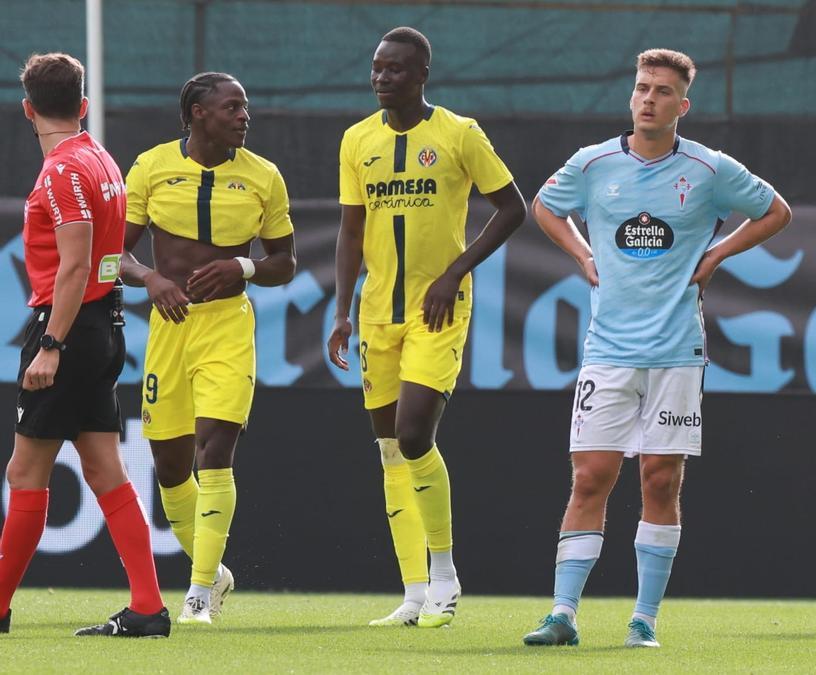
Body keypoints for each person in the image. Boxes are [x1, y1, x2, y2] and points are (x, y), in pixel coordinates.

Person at [520, 48, 791, 649]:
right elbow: (543, 206)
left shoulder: (709, 169)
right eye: (642, 88)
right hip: (608, 349)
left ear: (682, 105)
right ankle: (562, 613)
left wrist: (718, 253)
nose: (648, 98)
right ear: (631, 96)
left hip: (676, 352)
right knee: (589, 477)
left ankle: (643, 620)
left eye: (662, 91)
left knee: (660, 480)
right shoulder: (591, 165)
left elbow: (775, 211)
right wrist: (581, 253)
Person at [326, 27, 526, 628]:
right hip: (376, 313)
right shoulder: (356, 139)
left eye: (394, 69)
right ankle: (414, 593)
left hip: (437, 310)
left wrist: (454, 272)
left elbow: (512, 207)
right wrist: (341, 310)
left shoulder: (460, 134)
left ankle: (445, 574)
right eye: (376, 68)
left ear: (421, 77)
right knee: (388, 449)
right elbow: (350, 231)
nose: (381, 77)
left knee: (414, 435)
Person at [1, 52, 169, 638]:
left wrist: (50, 344)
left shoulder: (62, 171)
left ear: (27, 109)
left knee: (25, 473)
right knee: (104, 469)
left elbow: (74, 268)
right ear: (84, 105)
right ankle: (148, 608)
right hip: (104, 328)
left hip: (69, 330)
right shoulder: (100, 158)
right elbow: (102, 260)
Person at [119, 72, 297, 624]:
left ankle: (197, 595)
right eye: (233, 107)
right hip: (169, 330)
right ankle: (214, 571)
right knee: (170, 468)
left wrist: (243, 266)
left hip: (227, 328)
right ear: (199, 113)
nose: (245, 115)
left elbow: (284, 263)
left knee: (214, 451)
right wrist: (150, 279)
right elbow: (112, 257)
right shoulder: (150, 167)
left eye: (245, 106)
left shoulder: (264, 176)